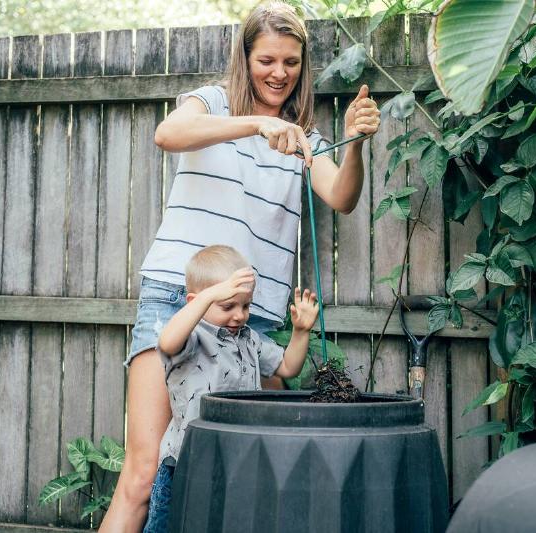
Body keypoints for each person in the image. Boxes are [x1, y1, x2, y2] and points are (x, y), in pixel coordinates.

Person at [99, 2, 380, 531]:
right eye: (267, 59)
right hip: (178, 303)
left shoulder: (302, 139)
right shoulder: (211, 102)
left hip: (252, 322)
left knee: (244, 478)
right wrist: (253, 124)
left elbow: (341, 196)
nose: (279, 73)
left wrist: (357, 146)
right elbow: (168, 135)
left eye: (292, 62)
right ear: (245, 57)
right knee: (143, 475)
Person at [141, 245, 318, 532]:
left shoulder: (249, 340)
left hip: (238, 460)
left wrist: (301, 332)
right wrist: (210, 295)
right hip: (186, 461)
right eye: (228, 306)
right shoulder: (192, 337)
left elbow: (287, 367)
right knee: (172, 525)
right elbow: (167, 342)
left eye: (246, 306)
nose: (240, 316)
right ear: (196, 301)